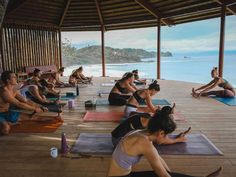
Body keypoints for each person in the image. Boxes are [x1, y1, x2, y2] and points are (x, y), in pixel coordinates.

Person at [107, 110, 222, 177]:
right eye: (166, 135)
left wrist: (172, 174)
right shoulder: (144, 143)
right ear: (161, 133)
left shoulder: (141, 133)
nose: (166, 138)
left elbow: (159, 159)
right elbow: (163, 175)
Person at [112, 105, 190, 147]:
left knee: (153, 137)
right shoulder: (148, 121)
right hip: (118, 141)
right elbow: (160, 141)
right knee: (152, 141)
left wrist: (175, 136)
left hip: (120, 136)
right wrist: (178, 140)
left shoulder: (152, 117)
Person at [0, 71, 48, 135]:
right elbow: (18, 104)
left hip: (7, 112)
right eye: (14, 77)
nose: (16, 78)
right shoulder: (4, 91)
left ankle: (8, 122)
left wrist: (40, 106)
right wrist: (34, 109)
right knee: (5, 130)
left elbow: (26, 100)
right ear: (8, 80)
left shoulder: (14, 89)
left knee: (33, 117)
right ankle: (7, 123)